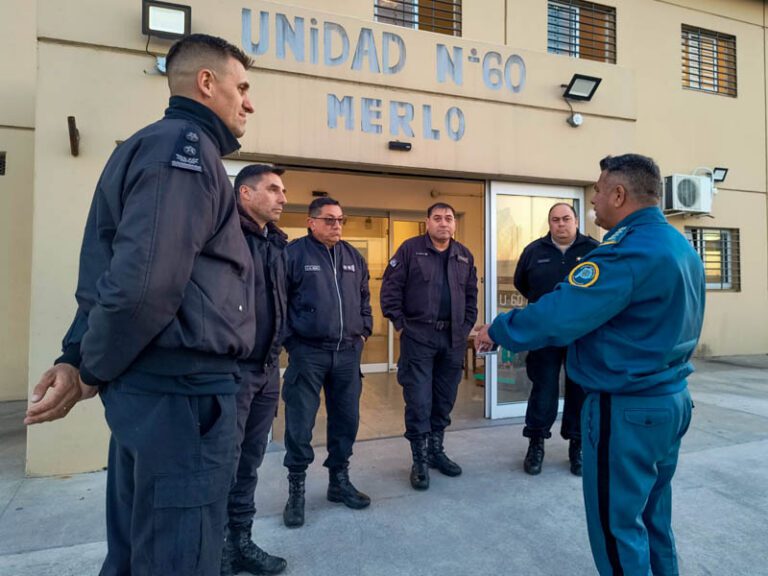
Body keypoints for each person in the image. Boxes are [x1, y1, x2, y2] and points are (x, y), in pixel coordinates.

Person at [25, 34, 257, 576]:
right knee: (176, 558)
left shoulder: (158, 147)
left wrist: (81, 355)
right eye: (241, 87)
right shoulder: (185, 149)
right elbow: (144, 284)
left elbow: (119, 272)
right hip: (181, 401)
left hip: (163, 397)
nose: (249, 102)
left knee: (142, 554)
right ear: (206, 83)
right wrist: (89, 369)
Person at [476, 154, 705, 576]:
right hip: (671, 401)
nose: (594, 200)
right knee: (654, 518)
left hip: (628, 409)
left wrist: (499, 329)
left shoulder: (626, 252)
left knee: (617, 528)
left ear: (619, 194)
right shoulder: (678, 245)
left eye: (598, 191)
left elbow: (560, 314)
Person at [281, 197, 373, 528]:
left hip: (348, 354)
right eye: (330, 220)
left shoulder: (352, 257)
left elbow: (364, 298)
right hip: (309, 354)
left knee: (346, 420)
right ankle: (297, 490)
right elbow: (280, 302)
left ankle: (339, 482)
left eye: (341, 219)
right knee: (300, 423)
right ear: (311, 222)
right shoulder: (293, 255)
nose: (337, 225)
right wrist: (291, 341)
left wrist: (364, 331)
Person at [380, 202, 478, 490]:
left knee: (444, 399)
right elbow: (390, 291)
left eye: (449, 218)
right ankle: (419, 460)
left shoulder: (464, 256)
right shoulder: (410, 250)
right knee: (419, 400)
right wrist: (400, 324)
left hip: (453, 340)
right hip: (418, 338)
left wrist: (464, 326)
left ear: (454, 224)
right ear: (427, 222)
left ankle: (436, 452)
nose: (443, 223)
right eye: (437, 218)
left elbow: (471, 295)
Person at [221, 165, 289, 576]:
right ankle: (217, 552)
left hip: (267, 371)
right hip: (233, 372)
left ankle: (241, 541)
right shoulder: (223, 235)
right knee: (222, 464)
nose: (282, 198)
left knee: (250, 461)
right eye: (274, 190)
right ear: (245, 194)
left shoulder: (275, 243)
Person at [513, 203, 598, 476]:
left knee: (580, 390)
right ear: (549, 223)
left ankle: (578, 446)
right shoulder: (533, 252)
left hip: (581, 336)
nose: (561, 224)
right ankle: (536, 443)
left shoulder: (594, 251)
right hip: (544, 335)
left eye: (566, 219)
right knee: (543, 388)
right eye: (555, 220)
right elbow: (522, 285)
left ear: (575, 221)